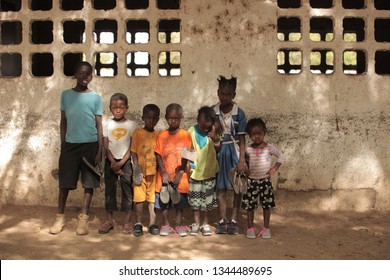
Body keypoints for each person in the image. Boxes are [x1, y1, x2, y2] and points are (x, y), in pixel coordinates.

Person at [49, 61, 103, 235]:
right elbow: (63, 121)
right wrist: (63, 142)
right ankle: (59, 217)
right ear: (75, 74)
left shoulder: (95, 97)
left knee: (89, 183)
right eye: (81, 73)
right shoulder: (66, 95)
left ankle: (84, 218)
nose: (85, 76)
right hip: (70, 145)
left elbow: (99, 124)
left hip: (91, 145)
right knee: (65, 183)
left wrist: (100, 149)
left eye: (88, 73)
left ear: (91, 76)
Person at [98, 93, 138, 234]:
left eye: (121, 107)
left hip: (125, 162)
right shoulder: (107, 124)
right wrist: (113, 162)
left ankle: (127, 220)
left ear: (127, 108)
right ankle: (109, 220)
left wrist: (121, 163)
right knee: (110, 190)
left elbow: (132, 146)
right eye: (114, 107)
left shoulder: (132, 125)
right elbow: (105, 144)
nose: (118, 110)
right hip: (111, 161)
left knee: (128, 190)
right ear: (110, 108)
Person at [213, 75, 247, 235]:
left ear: (234, 95)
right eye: (222, 94)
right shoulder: (212, 112)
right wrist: (214, 125)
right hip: (219, 152)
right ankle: (222, 219)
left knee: (237, 187)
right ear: (218, 93)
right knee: (220, 188)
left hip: (234, 152)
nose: (225, 97)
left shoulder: (239, 113)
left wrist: (242, 160)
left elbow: (242, 138)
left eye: (228, 94)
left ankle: (233, 219)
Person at [242, 117, 284, 239]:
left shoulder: (269, 148)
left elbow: (281, 156)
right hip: (251, 182)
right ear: (249, 135)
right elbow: (243, 161)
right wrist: (245, 168)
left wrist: (275, 168)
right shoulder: (248, 149)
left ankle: (266, 228)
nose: (256, 137)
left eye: (259, 134)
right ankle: (250, 228)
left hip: (265, 181)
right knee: (250, 206)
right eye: (253, 134)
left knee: (266, 205)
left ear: (264, 132)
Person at [155, 103, 192, 237]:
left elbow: (187, 155)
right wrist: (163, 172)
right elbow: (158, 154)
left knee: (179, 202)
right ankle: (166, 224)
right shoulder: (161, 135)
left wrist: (181, 172)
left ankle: (178, 224)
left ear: (181, 118)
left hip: (179, 176)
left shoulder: (185, 135)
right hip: (164, 176)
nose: (173, 120)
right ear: (166, 118)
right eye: (170, 118)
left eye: (176, 118)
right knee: (164, 202)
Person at [187, 106, 219, 236]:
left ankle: (205, 223)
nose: (206, 128)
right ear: (197, 120)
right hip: (195, 174)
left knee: (207, 201)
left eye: (208, 126)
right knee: (195, 202)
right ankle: (196, 223)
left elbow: (218, 149)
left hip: (209, 173)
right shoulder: (191, 132)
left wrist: (215, 139)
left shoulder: (214, 132)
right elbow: (188, 150)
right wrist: (188, 165)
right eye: (203, 126)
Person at [130, 104, 161, 237]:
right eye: (148, 118)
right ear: (143, 118)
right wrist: (136, 167)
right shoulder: (137, 132)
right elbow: (133, 152)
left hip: (153, 173)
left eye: (154, 118)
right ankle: (138, 223)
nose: (151, 121)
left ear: (158, 119)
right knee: (139, 199)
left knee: (152, 199)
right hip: (140, 173)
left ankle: (152, 223)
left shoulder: (159, 135)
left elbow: (160, 154)